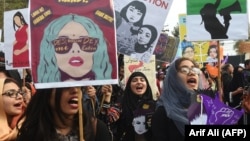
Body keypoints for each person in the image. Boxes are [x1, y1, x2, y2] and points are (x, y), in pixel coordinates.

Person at [16, 86, 111, 141]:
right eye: (66, 86)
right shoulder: (32, 133)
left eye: (79, 86)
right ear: (47, 92)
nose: (75, 90)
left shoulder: (96, 129)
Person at [37, 14, 112, 82]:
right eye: (63, 42)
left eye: (86, 42)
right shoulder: (46, 92)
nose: (75, 49)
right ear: (50, 49)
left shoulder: (104, 89)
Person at [151, 57, 200, 141]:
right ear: (173, 78)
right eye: (184, 70)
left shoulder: (205, 108)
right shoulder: (163, 113)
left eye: (194, 70)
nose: (192, 73)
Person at [116, 71, 156, 141]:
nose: (139, 82)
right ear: (129, 85)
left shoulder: (155, 105)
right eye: (134, 80)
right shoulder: (121, 104)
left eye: (142, 80)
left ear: (147, 84)